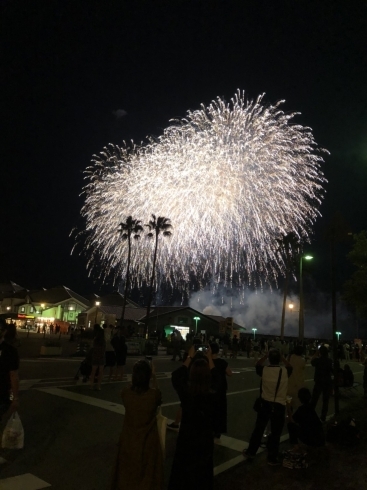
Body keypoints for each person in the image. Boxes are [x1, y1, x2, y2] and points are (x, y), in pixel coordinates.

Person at [168, 345, 218, 490]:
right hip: (205, 439)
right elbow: (217, 377)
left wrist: (189, 357)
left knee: (183, 471)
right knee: (202, 473)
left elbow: (176, 376)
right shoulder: (212, 394)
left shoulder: (187, 394)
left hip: (187, 437)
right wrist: (209, 359)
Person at [111, 360, 163, 490]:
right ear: (148, 377)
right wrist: (154, 376)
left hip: (128, 439)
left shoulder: (126, 394)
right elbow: (158, 393)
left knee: (126, 474)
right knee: (146, 476)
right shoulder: (153, 396)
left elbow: (127, 389)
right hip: (147, 442)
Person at [243, 349, 293, 465]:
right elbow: (290, 366)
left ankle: (251, 452)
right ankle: (272, 457)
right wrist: (283, 358)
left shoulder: (264, 370)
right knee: (276, 433)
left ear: (269, 359)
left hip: (265, 404)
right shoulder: (285, 371)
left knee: (259, 429)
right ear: (279, 360)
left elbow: (258, 364)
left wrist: (265, 356)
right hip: (279, 405)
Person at [210, 342, 232, 442]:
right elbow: (229, 373)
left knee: (210, 410)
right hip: (221, 390)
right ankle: (217, 433)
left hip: (209, 389)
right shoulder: (222, 362)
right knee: (220, 411)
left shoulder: (206, 361)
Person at [0, 320, 19, 422]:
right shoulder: (10, 351)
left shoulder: (10, 351)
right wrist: (15, 398)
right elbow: (13, 375)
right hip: (2, 393)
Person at [310, 346, 333, 422]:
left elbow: (312, 361)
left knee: (314, 400)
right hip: (327, 381)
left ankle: (310, 415)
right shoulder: (329, 360)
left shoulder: (318, 360)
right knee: (325, 401)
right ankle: (323, 417)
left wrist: (316, 354)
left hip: (318, 381)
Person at [287, 345, 306, 410]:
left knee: (289, 399)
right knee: (297, 401)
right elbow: (303, 368)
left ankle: (289, 413)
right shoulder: (302, 360)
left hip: (290, 380)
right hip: (299, 382)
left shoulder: (290, 357)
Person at [90, 325, 105, 390]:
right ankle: (98, 386)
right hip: (101, 356)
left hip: (95, 356)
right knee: (100, 372)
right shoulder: (103, 341)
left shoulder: (95, 340)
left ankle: (91, 385)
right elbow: (104, 349)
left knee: (93, 371)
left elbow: (92, 347)